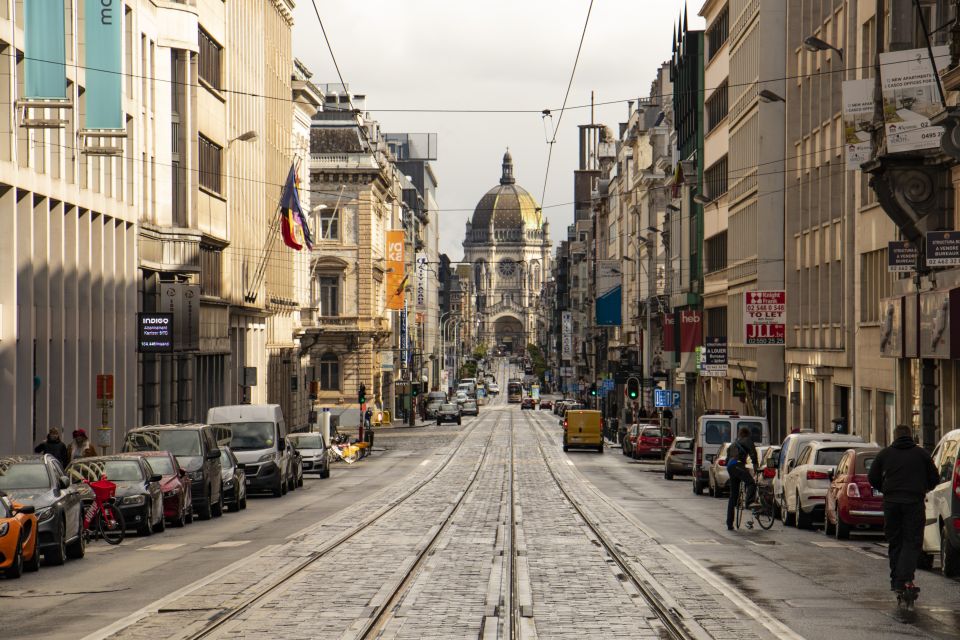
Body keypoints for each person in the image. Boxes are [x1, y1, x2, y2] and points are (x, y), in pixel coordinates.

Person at [868, 424, 939, 596]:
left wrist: (885, 489)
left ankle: (896, 581)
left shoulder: (885, 454)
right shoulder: (921, 454)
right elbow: (934, 477)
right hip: (913, 502)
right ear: (911, 436)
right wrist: (924, 488)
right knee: (912, 541)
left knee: (895, 541)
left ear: (895, 437)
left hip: (891, 503)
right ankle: (905, 579)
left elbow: (873, 477)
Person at [725, 426, 759, 531]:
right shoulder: (748, 440)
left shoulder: (733, 444)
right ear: (748, 434)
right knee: (751, 483)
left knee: (733, 496)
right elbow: (753, 454)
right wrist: (755, 465)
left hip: (730, 467)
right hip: (738, 464)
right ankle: (749, 502)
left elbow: (727, 460)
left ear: (740, 434)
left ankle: (729, 523)